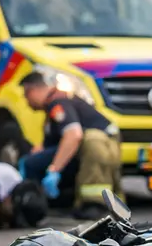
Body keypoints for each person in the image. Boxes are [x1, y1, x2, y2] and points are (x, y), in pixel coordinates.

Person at [17, 71, 122, 220]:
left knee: (32, 164)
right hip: (102, 148)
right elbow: (56, 141)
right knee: (33, 161)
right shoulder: (60, 101)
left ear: (33, 90)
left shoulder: (58, 104)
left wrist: (54, 169)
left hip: (97, 149)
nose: (27, 102)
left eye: (26, 95)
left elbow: (73, 135)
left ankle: (35, 206)